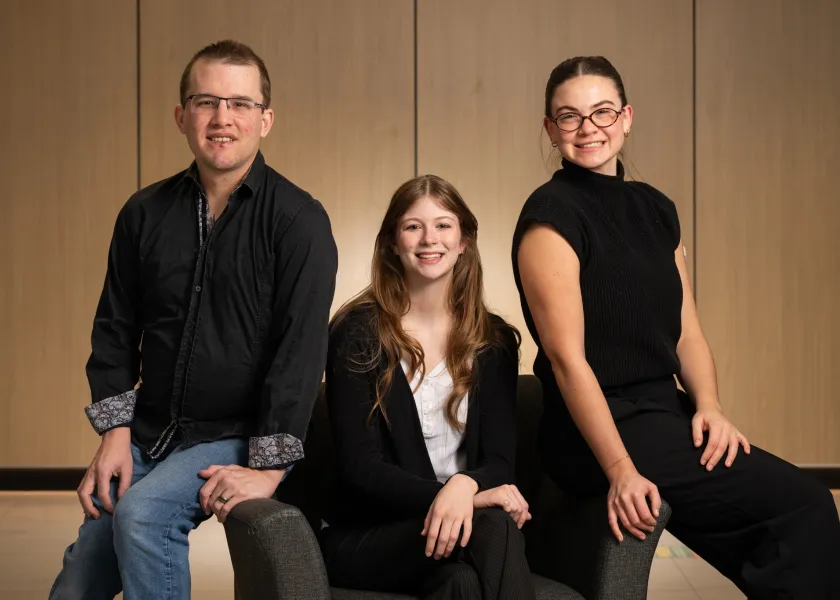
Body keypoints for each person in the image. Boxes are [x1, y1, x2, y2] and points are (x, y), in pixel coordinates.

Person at [511, 55, 840, 599]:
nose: (588, 128)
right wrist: (619, 468)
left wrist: (709, 405)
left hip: (665, 413)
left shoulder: (656, 209)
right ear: (551, 129)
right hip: (600, 426)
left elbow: (687, 330)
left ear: (627, 117)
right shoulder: (551, 216)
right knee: (804, 504)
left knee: (779, 528)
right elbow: (569, 360)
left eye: (602, 112)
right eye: (569, 117)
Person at [49, 40, 338, 600]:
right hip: (149, 431)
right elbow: (113, 328)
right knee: (77, 582)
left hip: (236, 434)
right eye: (206, 101)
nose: (223, 119)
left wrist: (269, 469)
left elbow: (300, 354)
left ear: (266, 119)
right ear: (182, 115)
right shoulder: (143, 213)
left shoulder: (299, 221)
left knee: (144, 516)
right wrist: (114, 433)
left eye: (240, 104)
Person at [320, 175, 536, 599]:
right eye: (412, 226)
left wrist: (462, 488)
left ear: (464, 242)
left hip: (453, 532)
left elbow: (499, 461)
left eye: (442, 225)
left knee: (462, 585)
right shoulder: (356, 332)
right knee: (491, 525)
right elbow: (359, 468)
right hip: (370, 535)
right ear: (391, 244)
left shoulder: (493, 342)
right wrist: (456, 497)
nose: (428, 239)